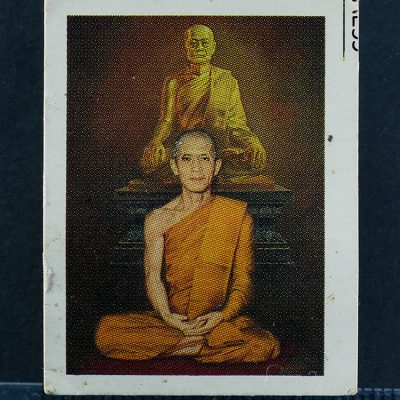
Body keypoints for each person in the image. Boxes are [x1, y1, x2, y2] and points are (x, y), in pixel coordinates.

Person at [96, 130, 280, 362]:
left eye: (204, 159)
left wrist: (222, 316)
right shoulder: (158, 218)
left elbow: (243, 281)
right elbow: (152, 276)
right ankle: (200, 346)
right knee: (106, 333)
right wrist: (168, 317)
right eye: (187, 159)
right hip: (173, 321)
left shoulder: (237, 215)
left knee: (264, 345)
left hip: (216, 321)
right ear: (175, 166)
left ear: (216, 166)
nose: (196, 168)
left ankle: (183, 346)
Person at [140, 24, 267, 182]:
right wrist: (155, 141)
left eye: (204, 43)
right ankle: (212, 171)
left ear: (213, 47)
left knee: (255, 160)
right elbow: (166, 120)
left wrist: (253, 142)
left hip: (216, 148)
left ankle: (204, 169)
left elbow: (237, 124)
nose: (199, 48)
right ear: (186, 47)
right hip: (184, 148)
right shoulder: (174, 82)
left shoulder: (227, 81)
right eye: (193, 44)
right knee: (149, 163)